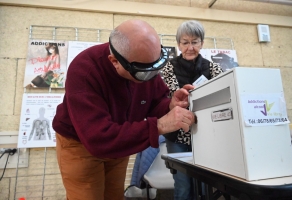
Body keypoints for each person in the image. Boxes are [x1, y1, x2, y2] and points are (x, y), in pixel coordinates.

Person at [52, 19, 196, 200]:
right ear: (115, 62)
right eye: (145, 72)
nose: (151, 77)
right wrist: (158, 125)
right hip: (80, 145)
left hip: (120, 140)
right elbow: (98, 139)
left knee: (114, 196)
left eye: (156, 67)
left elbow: (154, 102)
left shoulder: (143, 64)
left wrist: (169, 105)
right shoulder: (85, 71)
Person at [161, 20, 223, 200]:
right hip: (177, 134)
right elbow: (164, 99)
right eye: (185, 42)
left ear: (202, 43)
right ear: (179, 44)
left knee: (207, 185)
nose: (190, 47)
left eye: (194, 42)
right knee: (183, 185)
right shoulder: (168, 68)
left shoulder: (213, 68)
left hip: (205, 133)